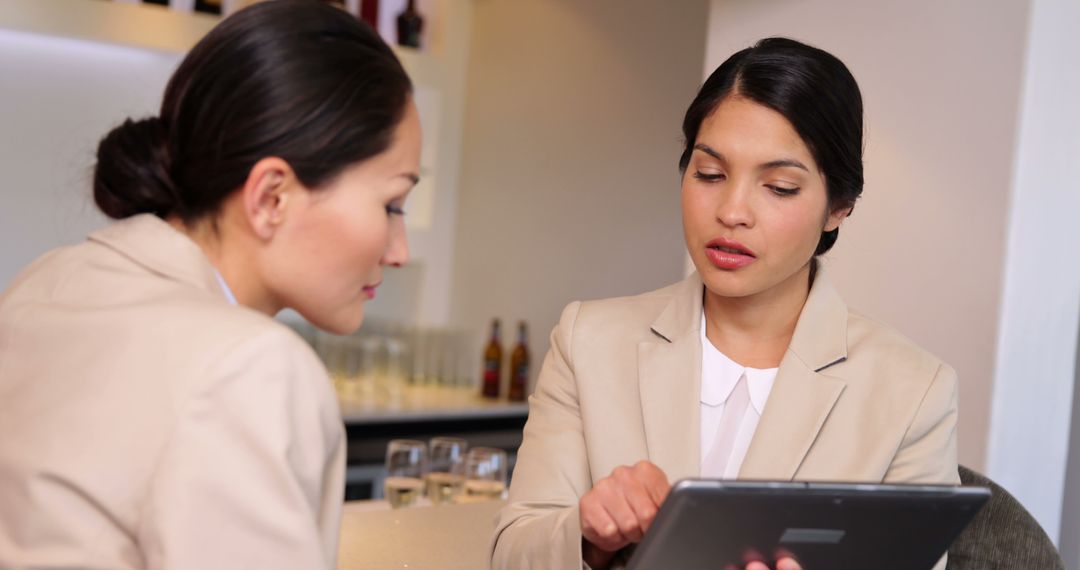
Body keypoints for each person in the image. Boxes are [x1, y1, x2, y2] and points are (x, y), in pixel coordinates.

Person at [491, 37, 959, 570]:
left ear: (839, 208)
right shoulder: (588, 340)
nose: (732, 211)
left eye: (779, 187)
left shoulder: (913, 392)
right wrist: (587, 537)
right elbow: (511, 553)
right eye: (709, 174)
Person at [0, 1, 418, 568]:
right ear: (271, 196)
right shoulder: (252, 367)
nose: (400, 252)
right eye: (392, 203)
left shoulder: (45, 279)